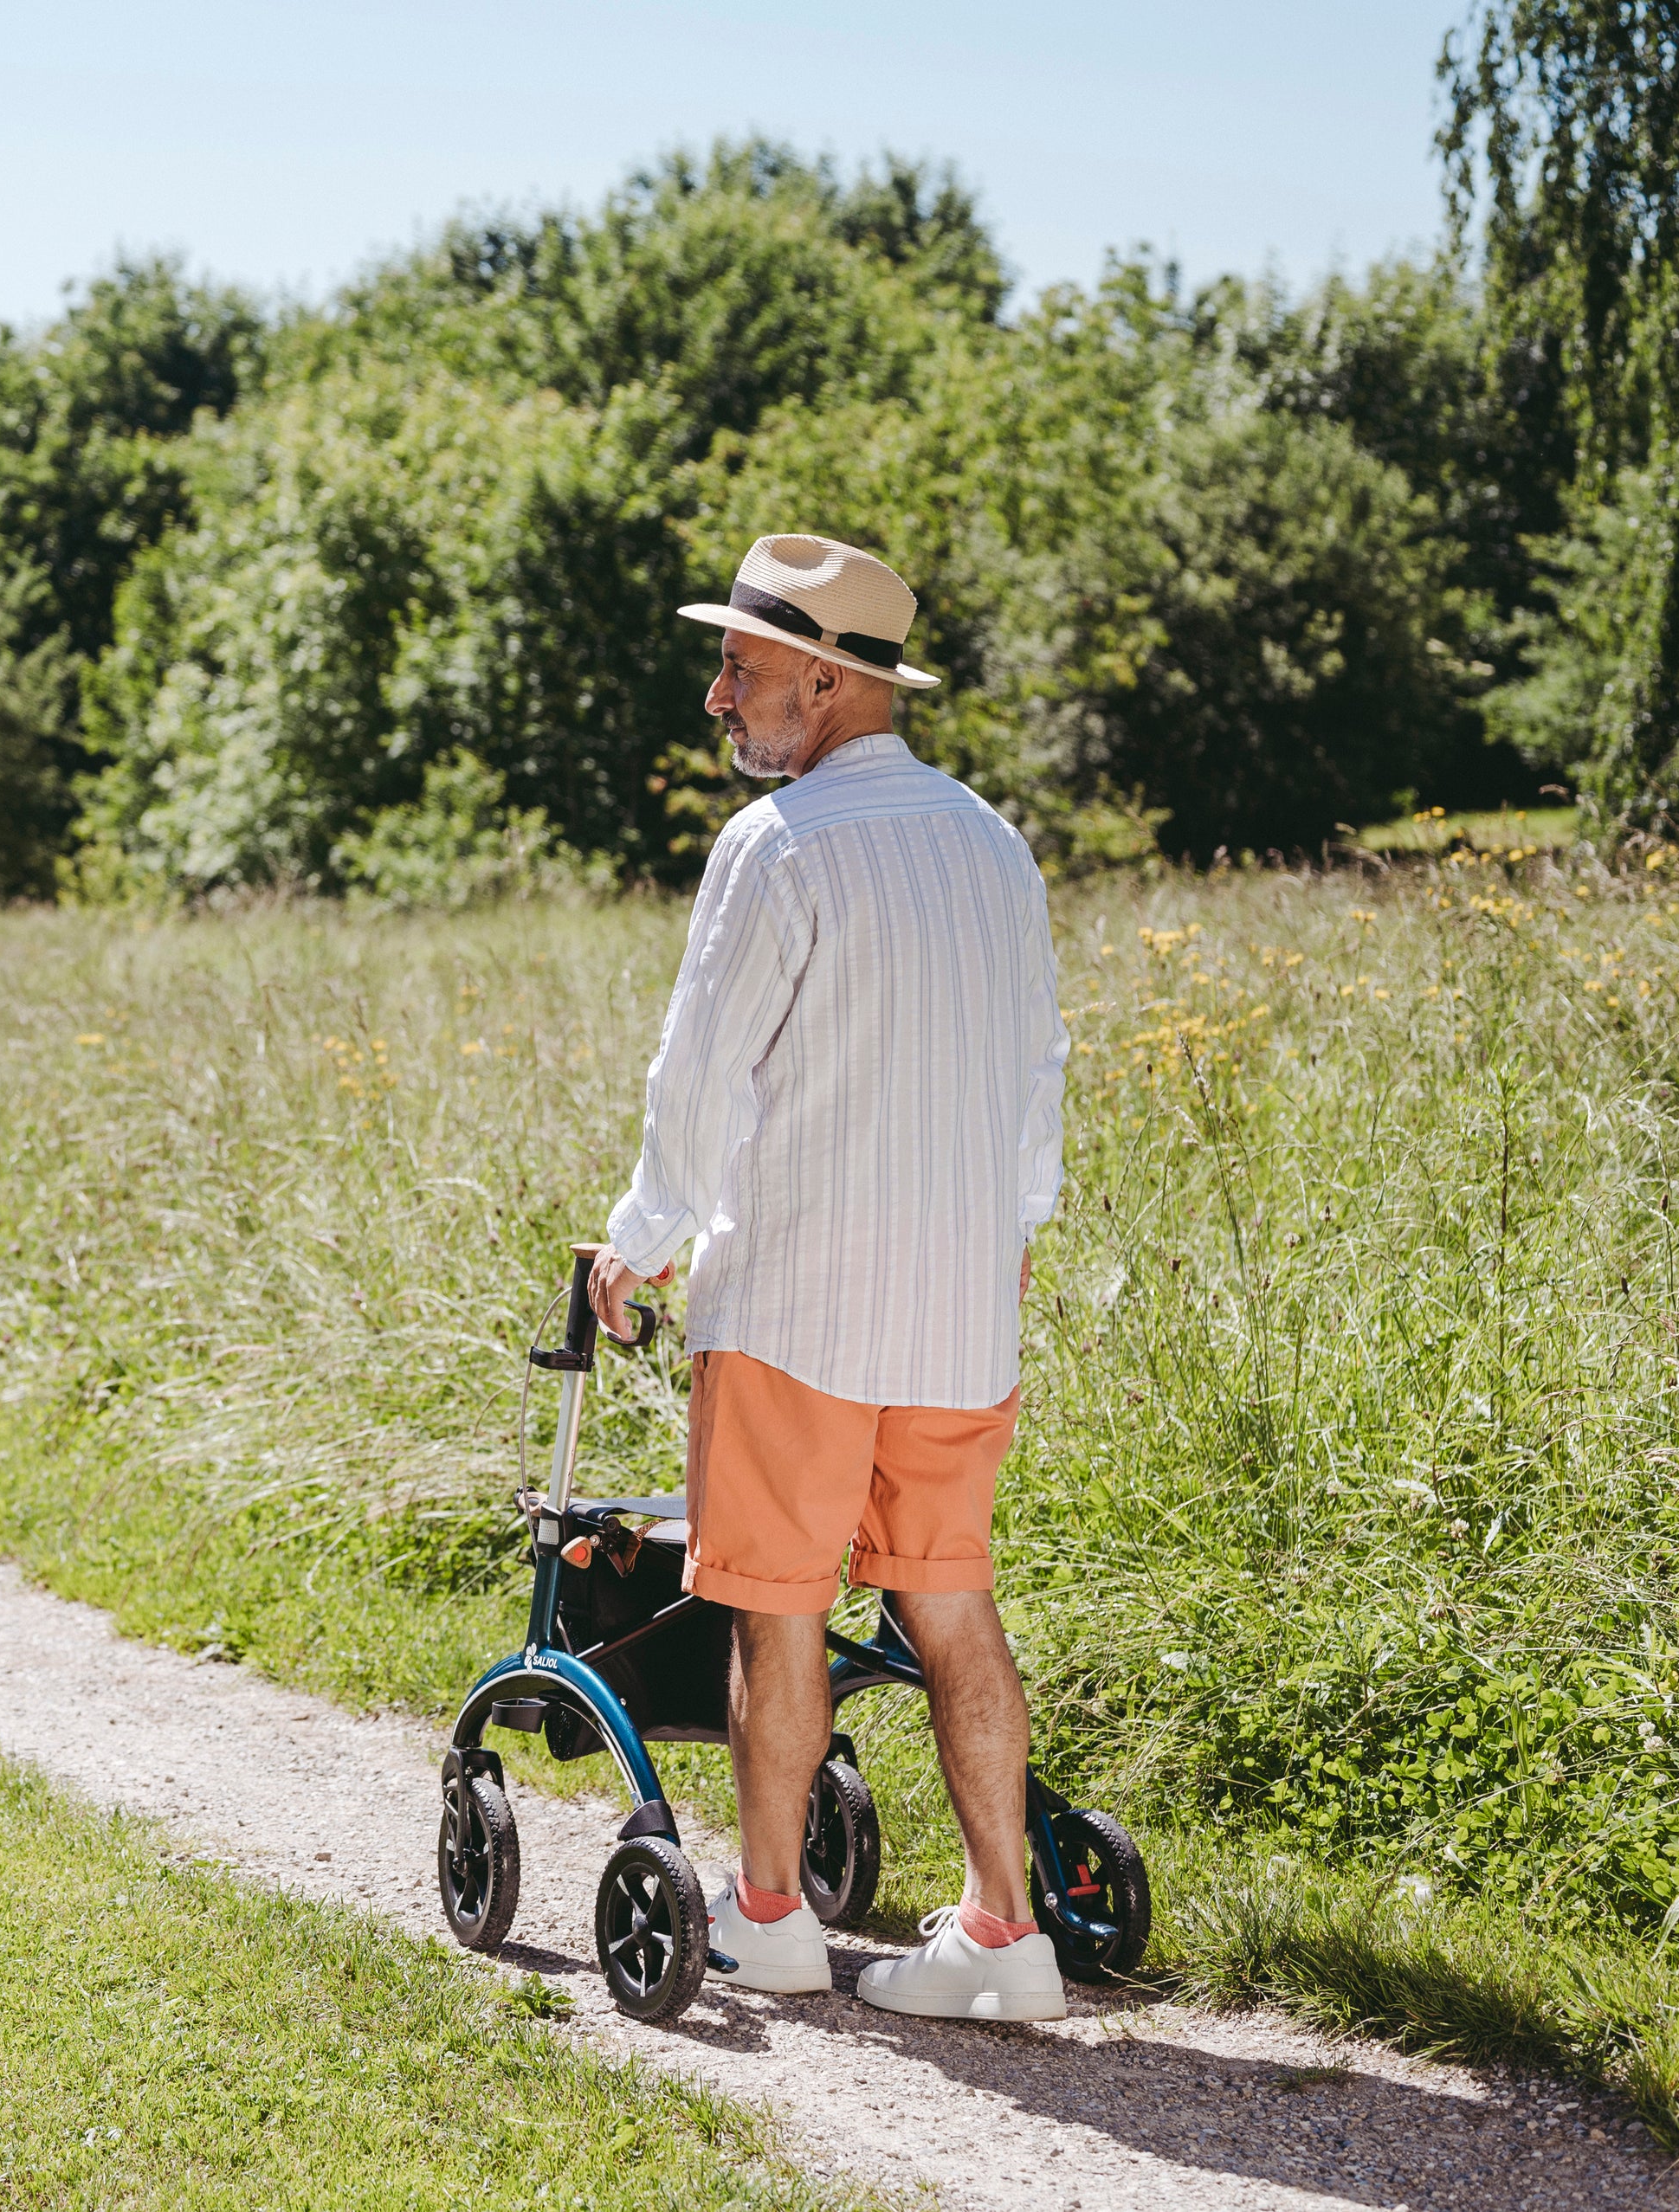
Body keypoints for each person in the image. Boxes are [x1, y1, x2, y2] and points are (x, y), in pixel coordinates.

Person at [587, 533, 1072, 2022]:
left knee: (778, 1606)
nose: (718, 696)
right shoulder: (992, 843)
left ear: (822, 680)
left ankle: (773, 1919)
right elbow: (1037, 1066)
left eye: (739, 667)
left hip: (798, 1300)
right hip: (958, 1310)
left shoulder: (778, 846)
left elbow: (702, 1074)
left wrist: (643, 1236)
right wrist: (1017, 1227)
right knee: (952, 1602)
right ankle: (1007, 1935)